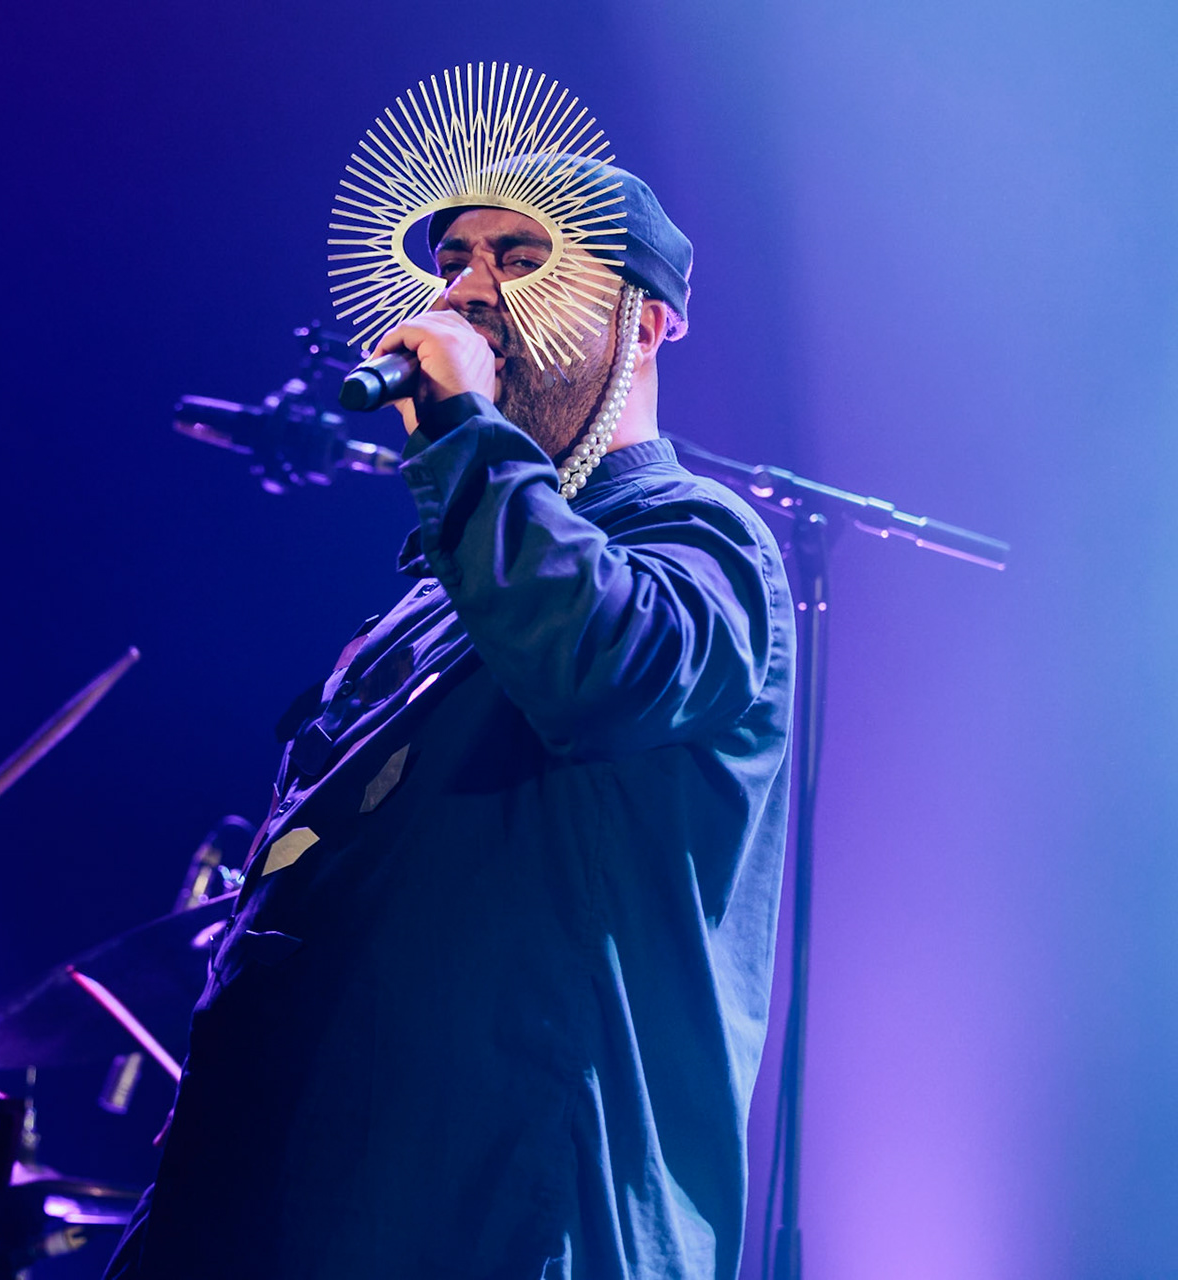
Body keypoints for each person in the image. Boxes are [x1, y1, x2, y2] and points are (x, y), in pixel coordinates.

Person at [107, 162, 796, 1278]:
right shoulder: (442, 589)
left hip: (507, 1212)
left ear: (646, 321)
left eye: (522, 259)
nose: (469, 290)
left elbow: (601, 665)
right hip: (296, 1198)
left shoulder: (699, 539)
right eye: (455, 262)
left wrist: (465, 431)